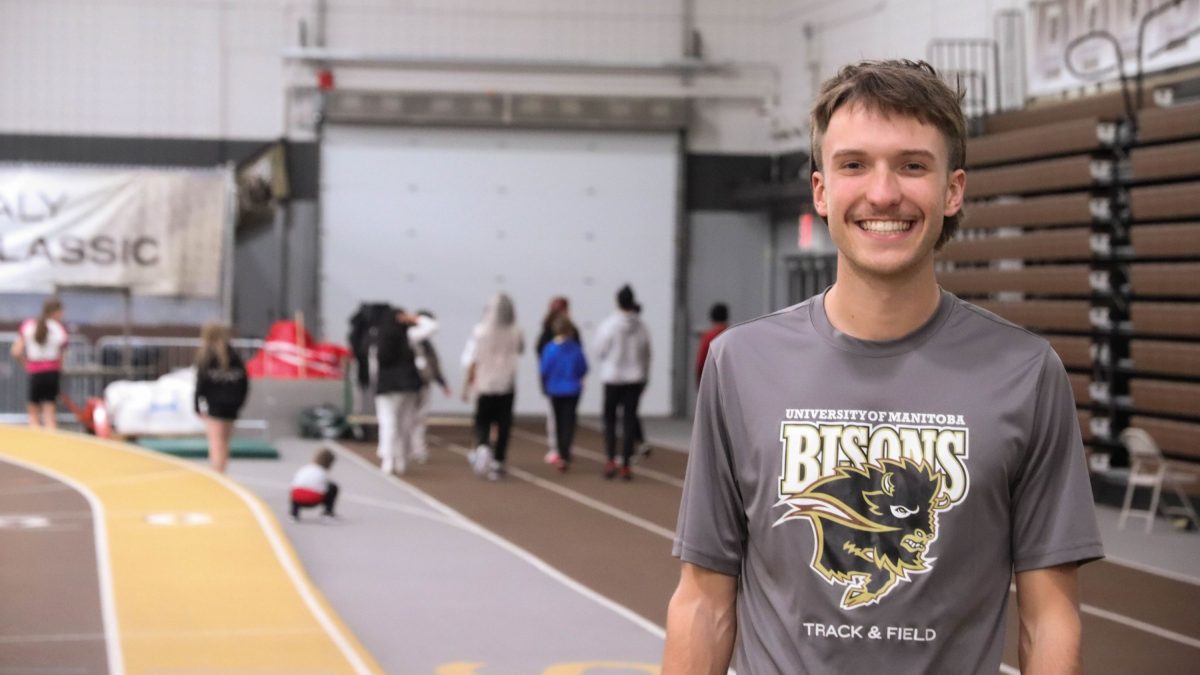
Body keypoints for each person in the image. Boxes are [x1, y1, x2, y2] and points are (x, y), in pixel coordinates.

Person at [663, 60, 1103, 674]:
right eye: (854, 164)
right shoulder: (741, 363)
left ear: (953, 190)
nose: (883, 192)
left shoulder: (1026, 373)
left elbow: (1048, 617)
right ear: (821, 191)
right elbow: (703, 602)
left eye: (912, 165)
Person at [461, 293, 524, 481]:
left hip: (486, 383)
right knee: (503, 423)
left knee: (483, 420)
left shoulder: (480, 331)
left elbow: (471, 359)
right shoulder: (516, 331)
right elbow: (521, 348)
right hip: (506, 382)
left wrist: (468, 384)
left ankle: (482, 446)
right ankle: (498, 460)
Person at [594, 284, 651, 480]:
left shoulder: (608, 325)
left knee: (610, 420)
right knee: (628, 421)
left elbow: (599, 351)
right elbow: (646, 353)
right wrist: (644, 376)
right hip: (634, 379)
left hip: (612, 378)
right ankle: (626, 464)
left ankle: (610, 460)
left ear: (617, 301)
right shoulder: (642, 327)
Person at [374, 307, 437, 475]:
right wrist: (415, 318)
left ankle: (389, 459)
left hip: (387, 387)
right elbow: (432, 326)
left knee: (389, 423)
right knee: (404, 424)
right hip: (407, 386)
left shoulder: (379, 336)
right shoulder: (408, 336)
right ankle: (400, 459)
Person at [193, 323, 249, 474]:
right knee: (224, 441)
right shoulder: (234, 356)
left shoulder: (207, 356)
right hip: (232, 404)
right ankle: (221, 468)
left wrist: (197, 405)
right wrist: (240, 402)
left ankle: (218, 470)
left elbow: (200, 384)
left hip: (216, 404)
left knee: (216, 441)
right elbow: (244, 382)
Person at [539, 315, 588, 473]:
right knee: (569, 421)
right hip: (572, 390)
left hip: (555, 390)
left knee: (559, 421)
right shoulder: (575, 348)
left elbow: (544, 369)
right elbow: (583, 368)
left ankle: (560, 452)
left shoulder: (550, 348)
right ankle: (565, 453)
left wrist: (547, 384)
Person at [11, 298, 68, 430]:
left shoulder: (29, 325)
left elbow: (16, 351)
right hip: (52, 372)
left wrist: (26, 364)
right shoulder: (58, 328)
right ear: (56, 312)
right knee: (49, 415)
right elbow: (63, 354)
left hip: (35, 372)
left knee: (33, 415)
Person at [536, 296, 578, 464]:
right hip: (558, 384)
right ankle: (558, 448)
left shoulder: (572, 334)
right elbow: (542, 359)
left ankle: (563, 448)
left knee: (564, 418)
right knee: (557, 417)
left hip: (564, 384)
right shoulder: (548, 336)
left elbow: (580, 360)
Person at [411, 309, 451, 464]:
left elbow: (433, 364)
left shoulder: (427, 345)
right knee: (409, 419)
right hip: (409, 385)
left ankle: (417, 449)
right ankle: (409, 449)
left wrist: (442, 383)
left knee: (419, 420)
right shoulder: (409, 339)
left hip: (424, 384)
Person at [290, 447, 339, 521]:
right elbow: (326, 487)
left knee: (297, 489)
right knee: (333, 487)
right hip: (312, 500)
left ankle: (294, 513)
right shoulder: (323, 472)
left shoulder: (306, 468)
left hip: (297, 498)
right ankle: (328, 512)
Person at [694, 302, 729, 387]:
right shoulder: (732, 334)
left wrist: (699, 384)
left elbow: (701, 363)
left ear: (712, 318)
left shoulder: (708, 337)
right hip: (729, 383)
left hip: (712, 384)